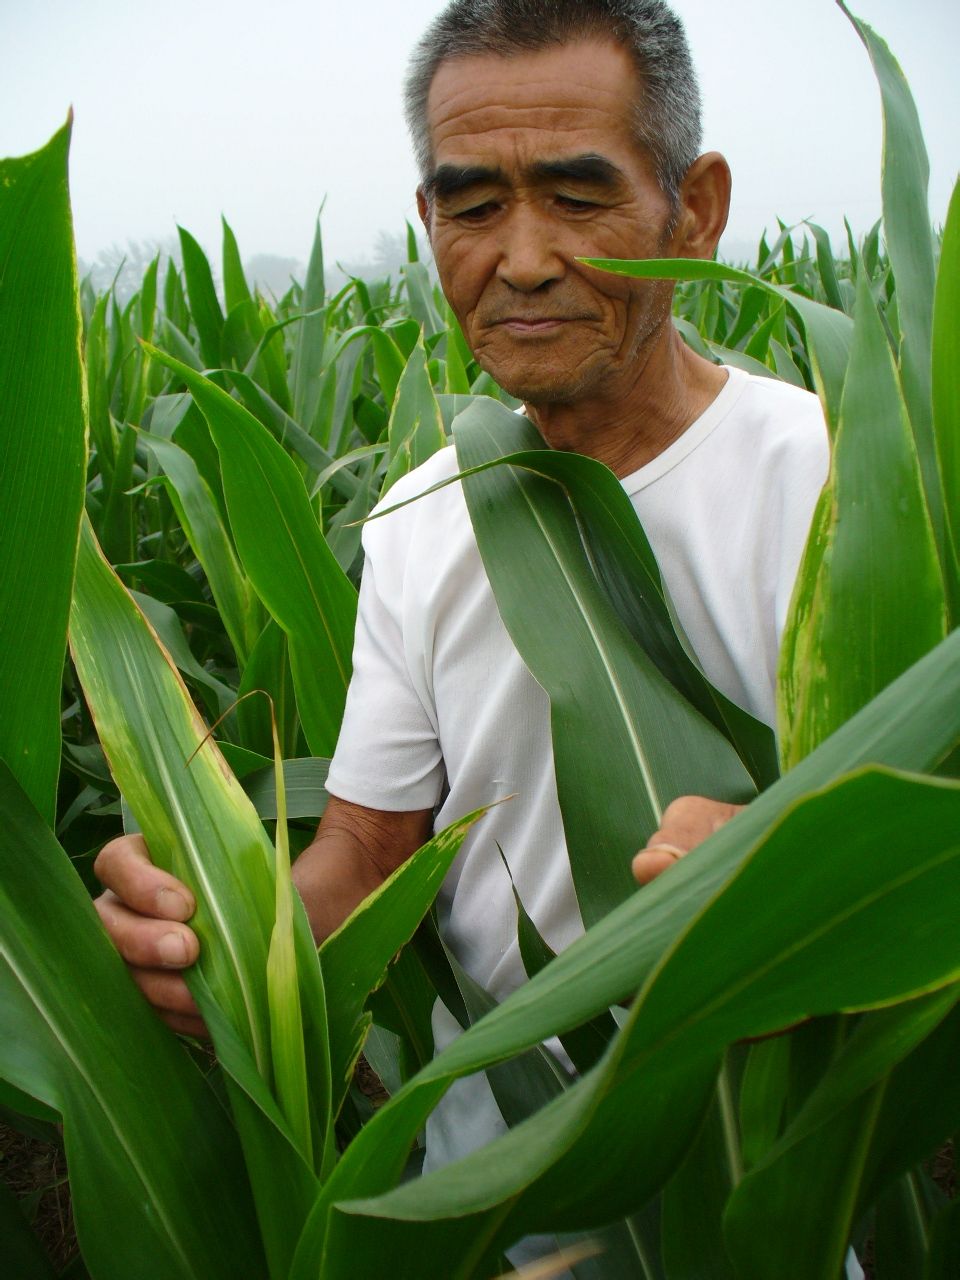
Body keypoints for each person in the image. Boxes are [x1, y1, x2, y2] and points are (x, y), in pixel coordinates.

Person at [94, 0, 829, 1245]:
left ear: (692, 207)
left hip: (788, 1186)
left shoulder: (843, 480)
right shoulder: (424, 522)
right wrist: (208, 930)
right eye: (475, 205)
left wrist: (816, 860)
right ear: (430, 223)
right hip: (498, 1205)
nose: (524, 258)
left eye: (579, 196)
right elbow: (367, 862)